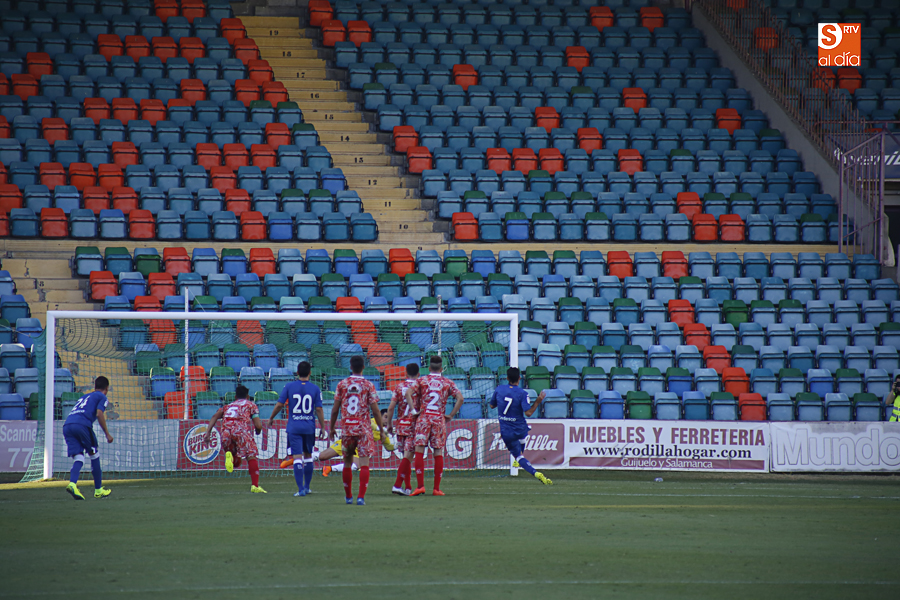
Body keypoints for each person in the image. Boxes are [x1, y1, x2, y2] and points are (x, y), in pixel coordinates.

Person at [330, 355, 387, 506]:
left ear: (350, 367)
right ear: (363, 367)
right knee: (364, 464)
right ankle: (361, 497)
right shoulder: (368, 385)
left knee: (347, 463)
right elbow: (375, 411)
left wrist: (331, 428)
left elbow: (335, 409)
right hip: (363, 429)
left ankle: (348, 497)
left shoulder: (342, 384)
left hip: (347, 429)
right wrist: (381, 429)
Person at [404, 355, 464, 497]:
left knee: (419, 450)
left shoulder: (422, 380)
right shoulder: (447, 382)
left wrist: (413, 410)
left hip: (424, 418)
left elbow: (408, 393)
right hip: (438, 419)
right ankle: (436, 488)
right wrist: (451, 415)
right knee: (438, 452)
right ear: (441, 369)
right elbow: (460, 398)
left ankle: (420, 486)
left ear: (429, 368)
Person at [267, 361, 327, 497]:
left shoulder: (289, 386)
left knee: (297, 457)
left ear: (297, 373)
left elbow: (279, 405)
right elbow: (318, 408)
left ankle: (300, 490)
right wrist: (323, 427)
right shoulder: (315, 389)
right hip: (309, 427)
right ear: (310, 373)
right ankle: (307, 487)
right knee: (308, 456)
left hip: (294, 427)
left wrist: (271, 417)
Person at [489, 368, 553, 486]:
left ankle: (535, 472)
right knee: (525, 430)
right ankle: (521, 453)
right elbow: (528, 413)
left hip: (506, 431)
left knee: (518, 456)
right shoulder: (523, 393)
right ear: (519, 378)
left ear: (507, 378)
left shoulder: (499, 389)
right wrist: (538, 401)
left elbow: (492, 405)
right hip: (519, 428)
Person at [203, 385, 267, 494]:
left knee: (236, 459)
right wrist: (258, 431)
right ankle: (255, 486)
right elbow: (258, 425)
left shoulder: (228, 406)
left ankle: (230, 454)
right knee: (251, 454)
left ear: (236, 396)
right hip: (240, 430)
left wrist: (208, 433)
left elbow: (214, 416)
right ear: (247, 396)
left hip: (226, 432)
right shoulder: (251, 405)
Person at [63, 376, 114, 500]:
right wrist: (107, 433)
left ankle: (72, 484)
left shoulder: (83, 397)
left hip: (67, 425)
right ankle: (98, 490)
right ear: (106, 388)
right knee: (94, 454)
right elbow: (99, 413)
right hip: (82, 425)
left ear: (95, 386)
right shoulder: (102, 397)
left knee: (79, 456)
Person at [385, 362, 420, 496]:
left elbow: (391, 407)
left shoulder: (399, 387)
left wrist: (389, 424)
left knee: (406, 458)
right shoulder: (419, 386)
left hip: (400, 426)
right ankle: (397, 485)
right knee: (408, 457)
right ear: (418, 374)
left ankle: (408, 487)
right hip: (413, 426)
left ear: (406, 373)